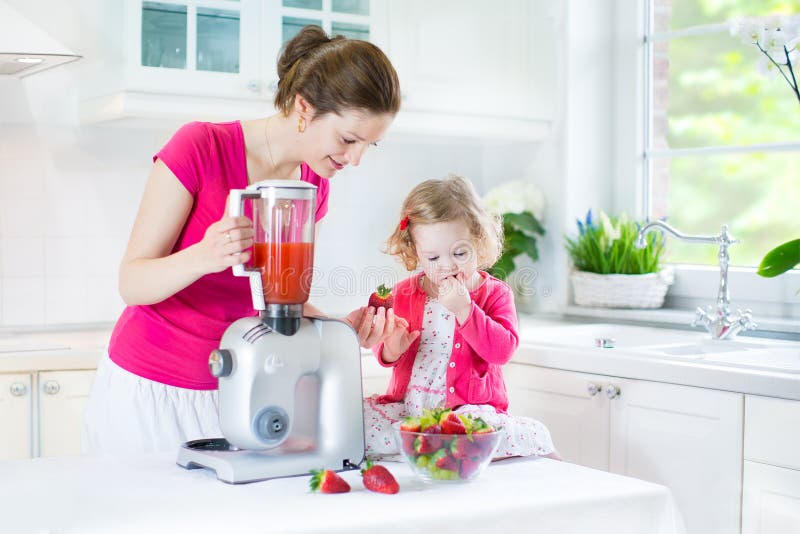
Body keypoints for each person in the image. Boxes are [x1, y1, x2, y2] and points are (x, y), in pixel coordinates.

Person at [83, 25, 402, 455]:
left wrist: (339, 330)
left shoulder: (314, 185)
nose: (356, 159)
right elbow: (132, 282)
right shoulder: (200, 147)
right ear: (304, 108)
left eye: (370, 145)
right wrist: (202, 256)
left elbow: (279, 298)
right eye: (348, 139)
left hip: (240, 391)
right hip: (151, 391)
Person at [363, 174, 559, 460]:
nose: (447, 266)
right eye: (433, 258)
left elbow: (502, 351)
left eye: (459, 252)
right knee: (358, 422)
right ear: (415, 251)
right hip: (410, 408)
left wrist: (465, 311)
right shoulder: (404, 293)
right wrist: (393, 348)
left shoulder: (495, 294)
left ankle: (438, 448)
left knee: (483, 432)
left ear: (478, 241)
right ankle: (427, 447)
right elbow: (383, 352)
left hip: (467, 409)